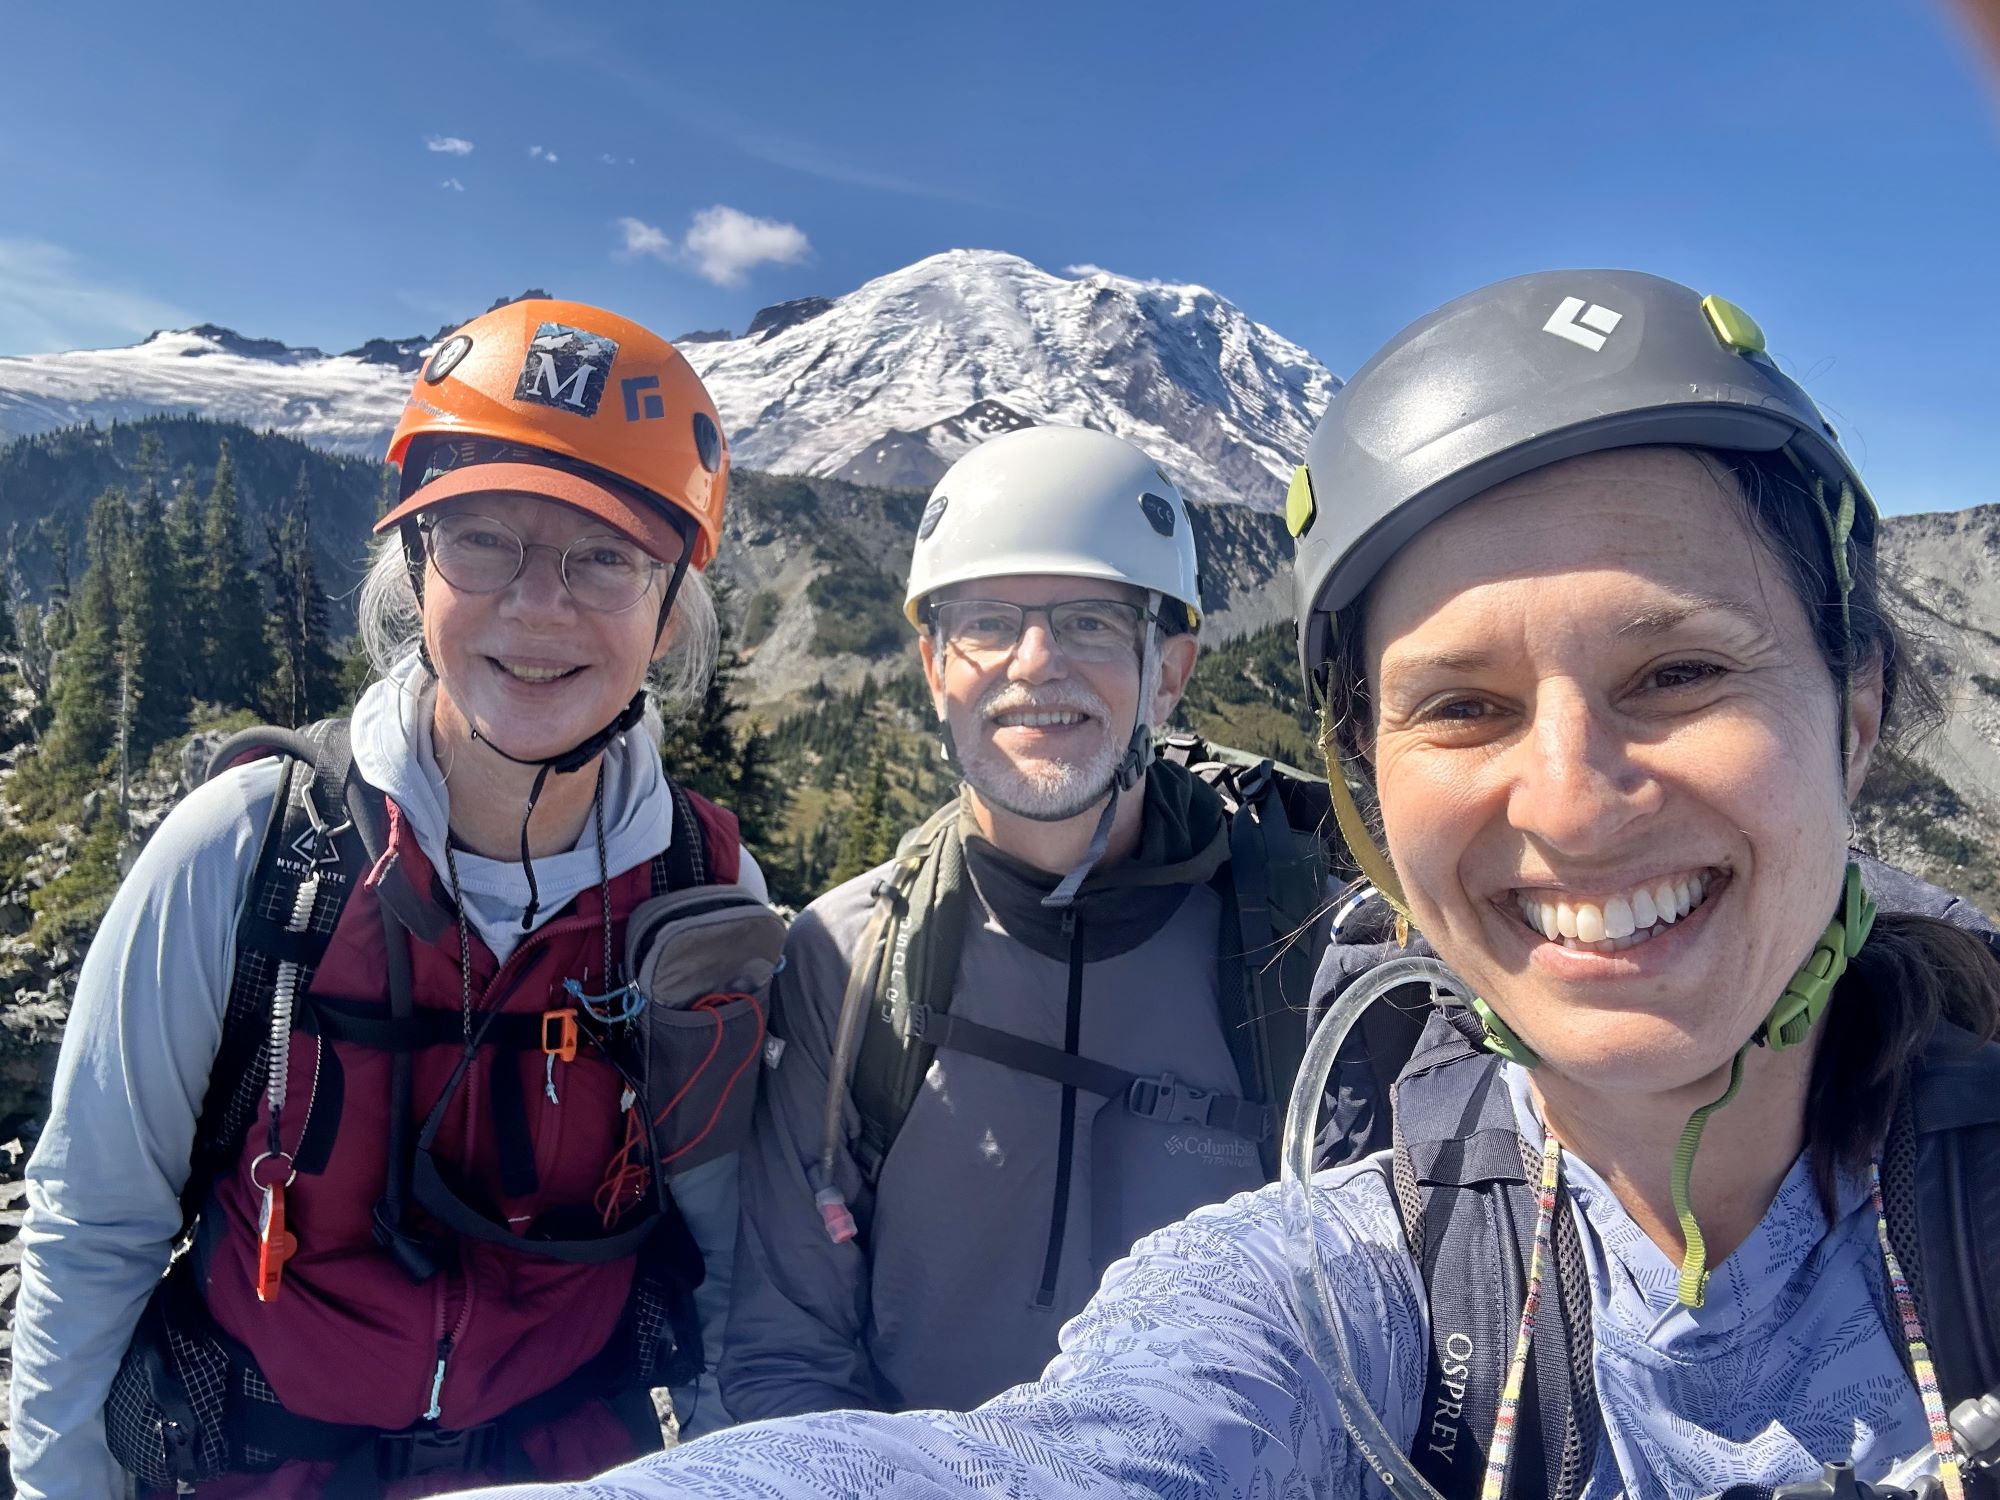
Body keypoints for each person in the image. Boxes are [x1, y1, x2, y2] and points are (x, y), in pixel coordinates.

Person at [453, 270, 2000, 1500]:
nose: (1573, 802)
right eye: (1465, 705)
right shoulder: (865, 962)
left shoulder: (1301, 952)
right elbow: (1072, 1448)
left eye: (1677, 673)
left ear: (1859, 709)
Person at [10, 298, 773, 1497]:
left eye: (605, 556)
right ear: (416, 567)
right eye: (481, 539)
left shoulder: (702, 891)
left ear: (669, 606)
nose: (538, 605)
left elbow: (735, 1250)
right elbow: (94, 1219)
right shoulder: (252, 851)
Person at [717, 424, 1325, 1420]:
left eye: (1090, 622)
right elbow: (787, 1348)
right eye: (988, 624)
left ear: (1170, 671)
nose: (1035, 664)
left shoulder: (1294, 944)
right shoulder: (849, 956)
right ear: (933, 666)